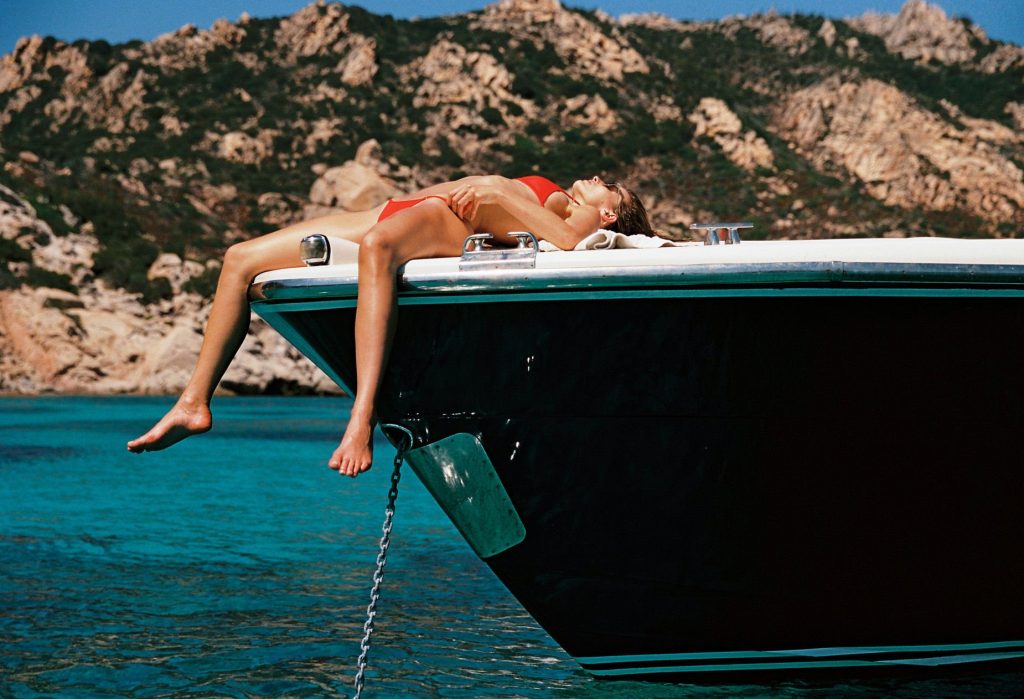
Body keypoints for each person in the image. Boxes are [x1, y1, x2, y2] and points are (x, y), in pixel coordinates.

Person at [127, 174, 654, 475]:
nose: (595, 179)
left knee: (378, 249)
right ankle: (193, 403)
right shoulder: (560, 195)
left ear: (611, 215)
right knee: (240, 258)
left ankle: (361, 419)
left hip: (440, 220)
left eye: (608, 187)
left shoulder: (569, 213)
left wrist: (497, 197)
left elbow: (568, 242)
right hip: (402, 207)